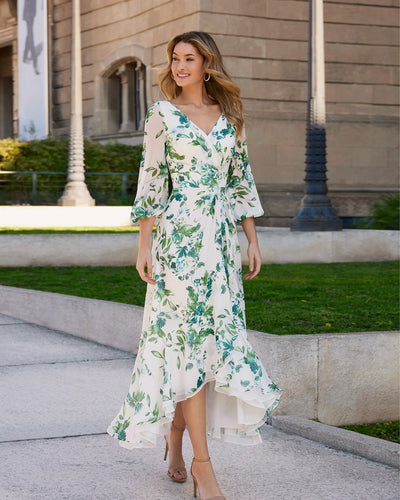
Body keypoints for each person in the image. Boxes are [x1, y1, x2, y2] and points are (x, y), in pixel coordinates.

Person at [107, 31, 282, 500]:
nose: (180, 66)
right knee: (186, 347)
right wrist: (144, 244)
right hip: (179, 243)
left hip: (220, 247)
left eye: (189, 58)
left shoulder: (230, 118)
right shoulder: (163, 114)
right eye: (175, 59)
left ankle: (177, 441)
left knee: (208, 350)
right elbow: (152, 180)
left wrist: (252, 239)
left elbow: (240, 180)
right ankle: (203, 468)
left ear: (207, 65)